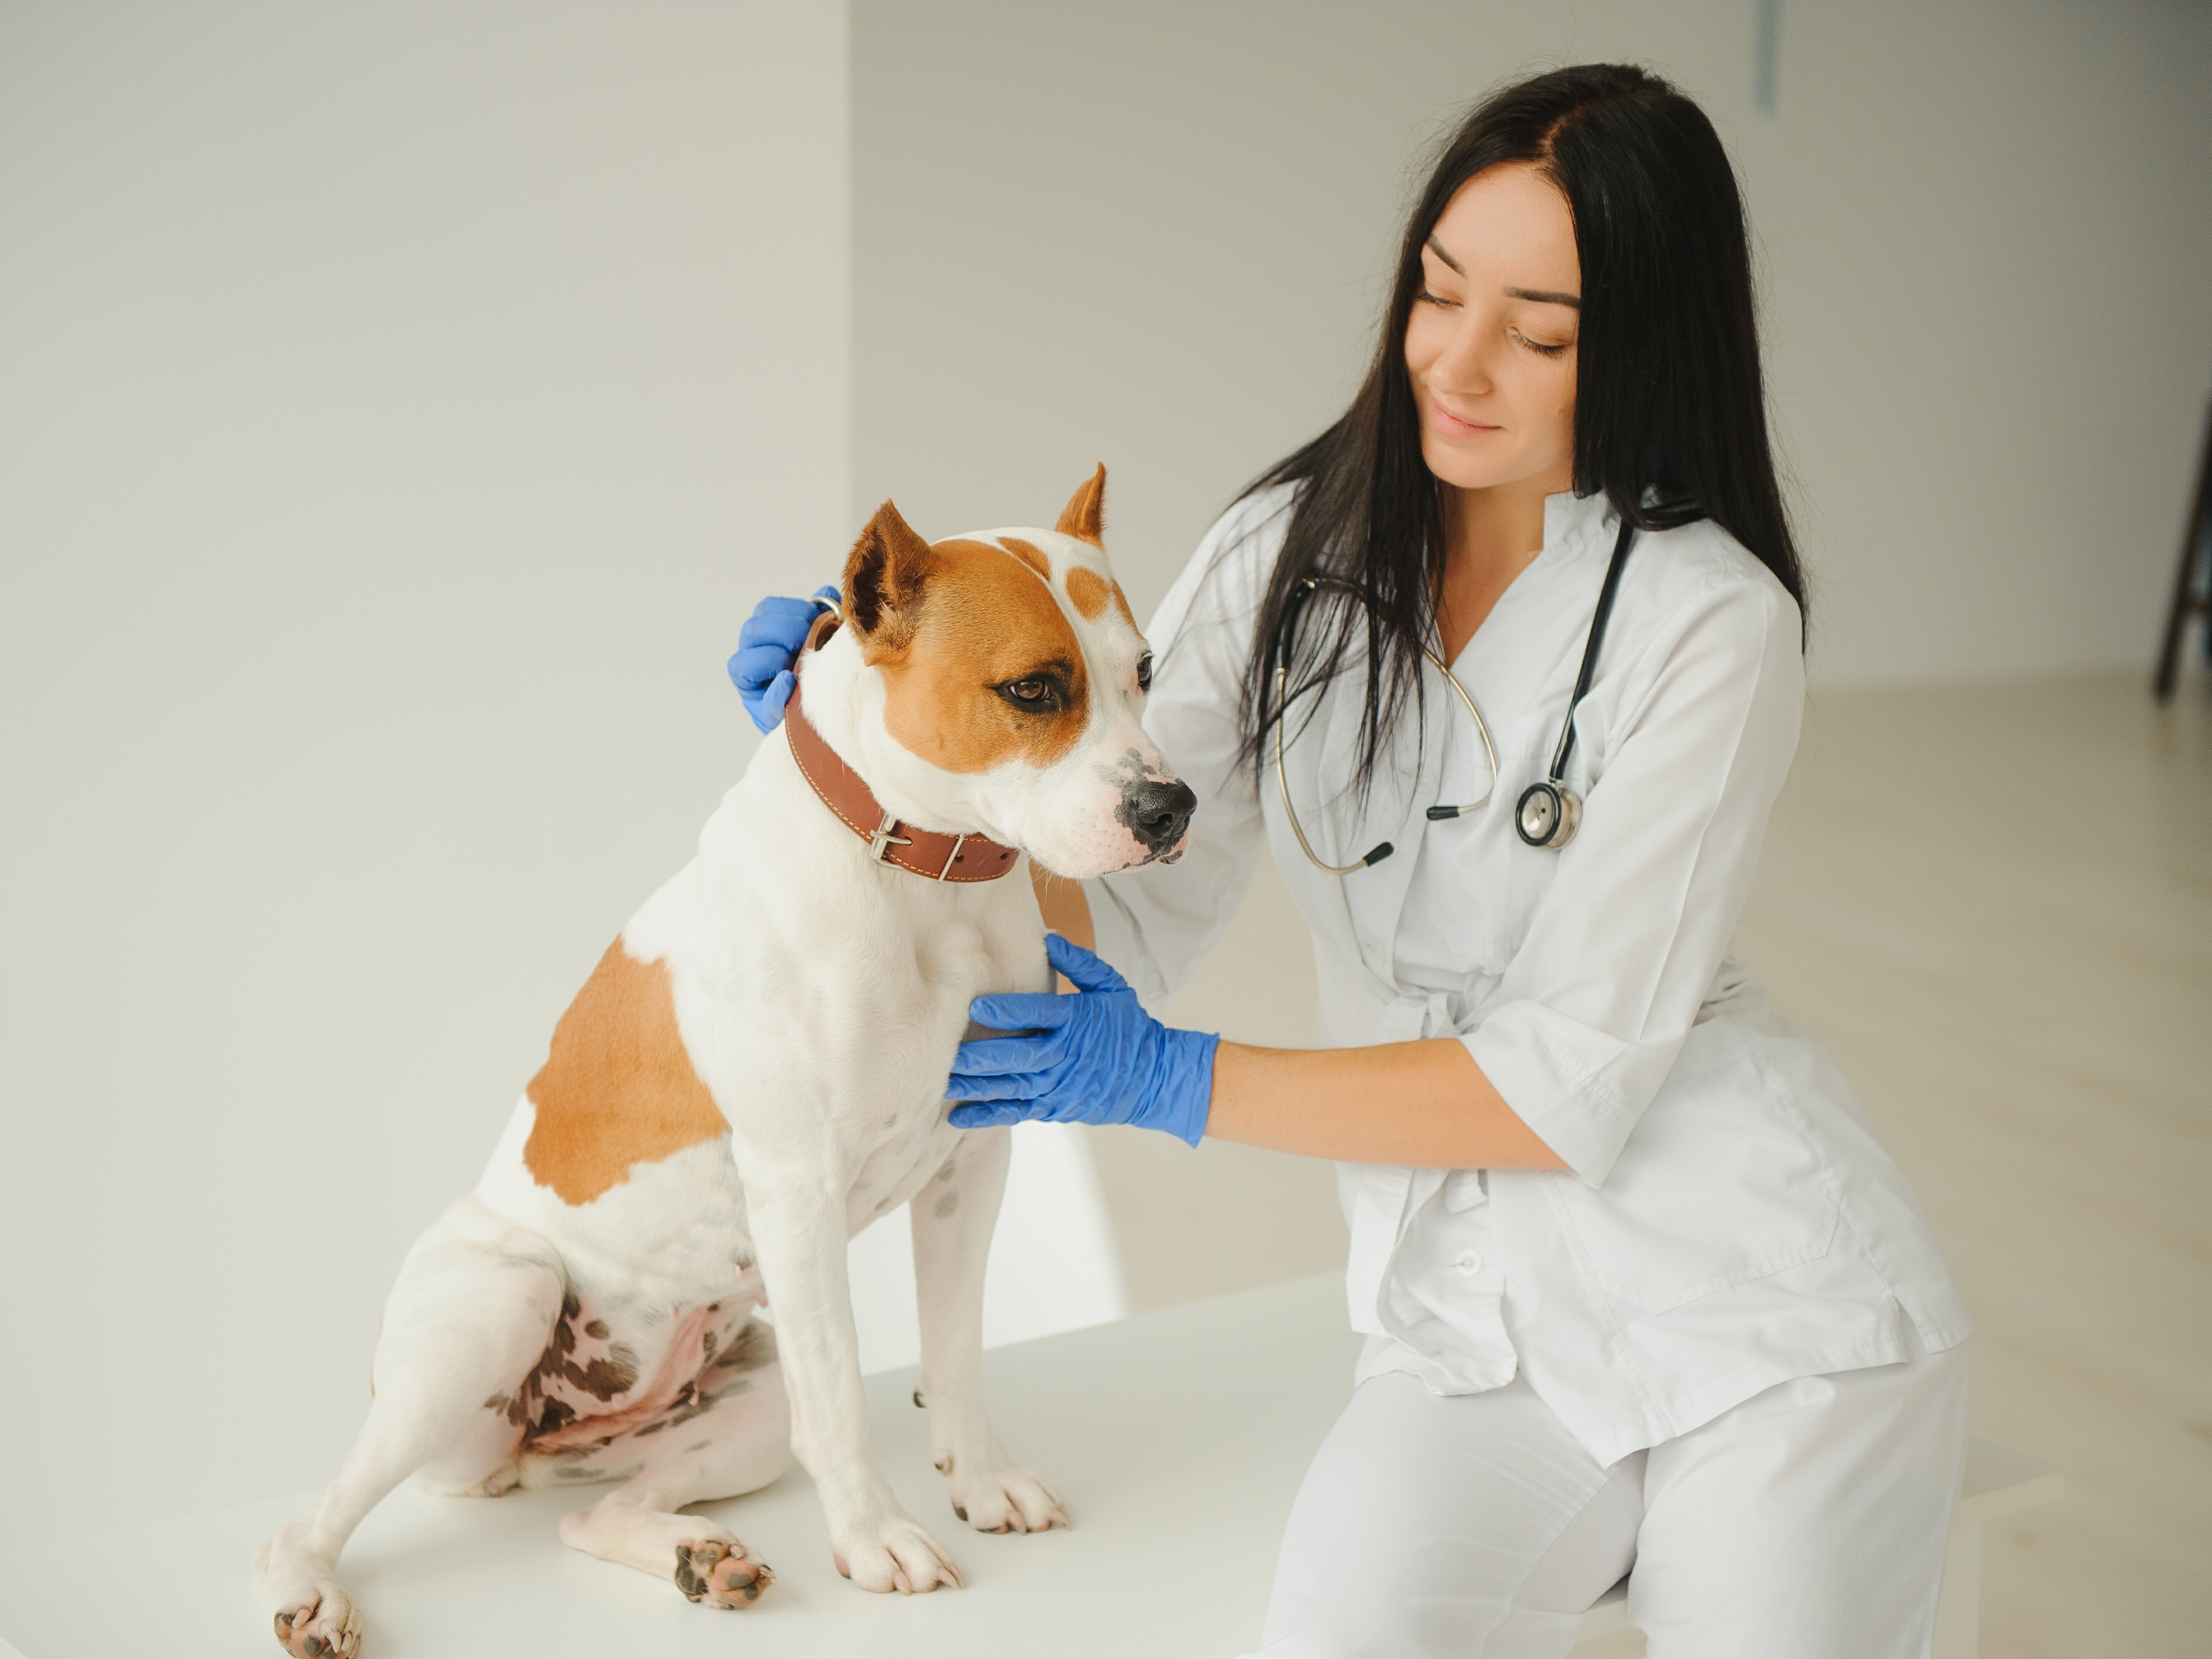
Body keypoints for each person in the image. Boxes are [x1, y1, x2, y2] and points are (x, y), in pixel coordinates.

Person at [732, 64, 1970, 1659]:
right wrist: (897, 755)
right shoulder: (1287, 555)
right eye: (1438, 292)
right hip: (1465, 1325)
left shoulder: (1713, 625)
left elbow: (1558, 1084)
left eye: (1537, 331)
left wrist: (1178, 1081)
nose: (1457, 363)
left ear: (1645, 344)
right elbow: (1111, 902)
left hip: (1762, 1306)